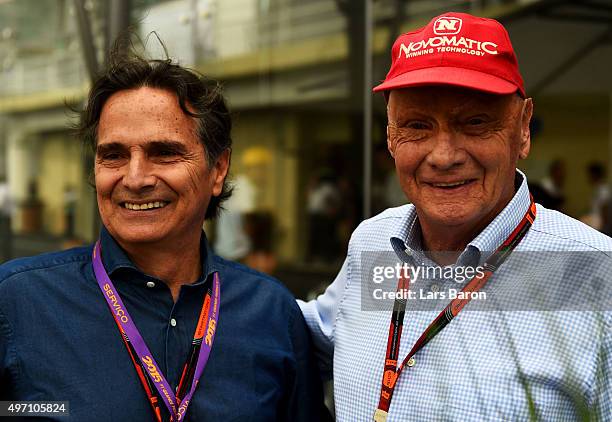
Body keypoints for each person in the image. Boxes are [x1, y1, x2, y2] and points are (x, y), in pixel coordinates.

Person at [299, 12, 611, 421]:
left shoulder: (597, 276)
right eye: (416, 125)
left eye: (475, 122)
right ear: (391, 136)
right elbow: (299, 334)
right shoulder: (374, 244)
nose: (444, 156)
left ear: (523, 128)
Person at [0, 49, 327, 421]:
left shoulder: (271, 311)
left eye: (164, 153)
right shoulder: (16, 300)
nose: (136, 178)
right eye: (114, 155)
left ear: (218, 169)